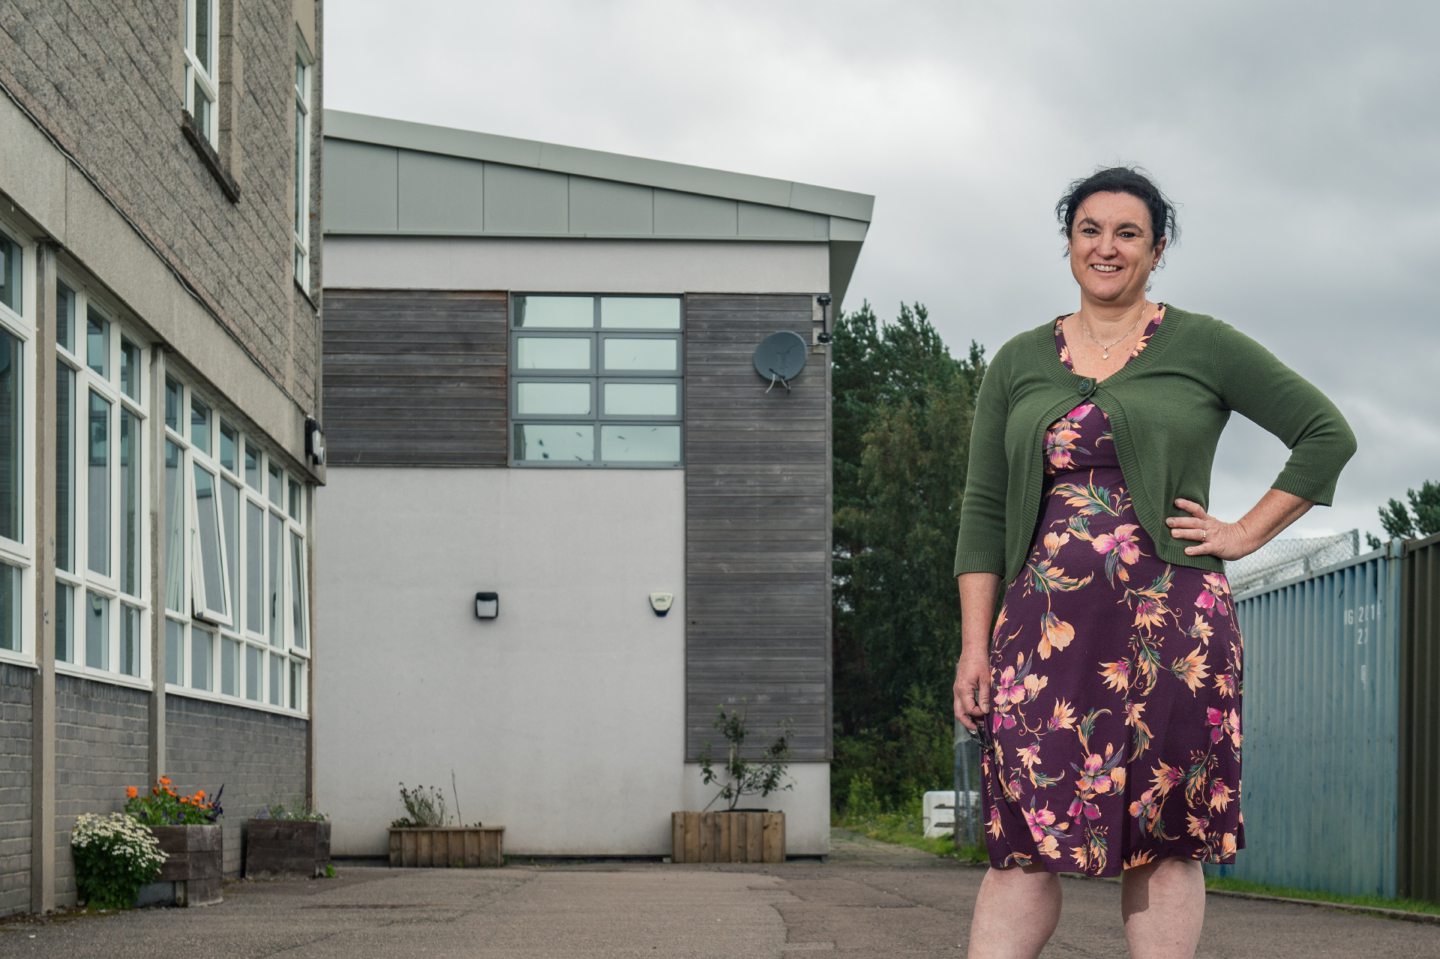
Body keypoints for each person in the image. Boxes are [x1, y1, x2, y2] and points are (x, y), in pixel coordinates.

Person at [951, 166, 1355, 959]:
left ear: (1157, 248)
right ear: (1069, 244)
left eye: (1128, 232)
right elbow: (983, 509)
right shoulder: (1019, 360)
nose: (1107, 247)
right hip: (1042, 641)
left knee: (1165, 836)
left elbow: (1326, 433)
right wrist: (974, 644)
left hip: (1173, 631)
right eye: (1090, 230)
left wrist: (1243, 532)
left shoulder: (1203, 344)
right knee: (1023, 841)